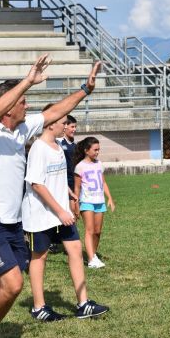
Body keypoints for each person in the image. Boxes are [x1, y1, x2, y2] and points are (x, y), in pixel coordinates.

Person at [0, 54, 102, 338]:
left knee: (13, 287)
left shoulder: (22, 131)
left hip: (14, 223)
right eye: (23, 101)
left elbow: (55, 111)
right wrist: (27, 80)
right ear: (8, 107)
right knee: (12, 284)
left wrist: (85, 89)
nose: (27, 106)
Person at [22, 106, 109, 322]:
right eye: (62, 122)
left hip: (62, 213)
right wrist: (60, 211)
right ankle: (39, 307)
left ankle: (83, 304)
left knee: (75, 250)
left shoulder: (58, 148)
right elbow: (37, 184)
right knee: (39, 257)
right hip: (41, 214)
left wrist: (69, 194)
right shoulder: (38, 149)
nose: (66, 125)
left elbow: (57, 179)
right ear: (51, 123)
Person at [73, 136, 115, 268]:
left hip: (99, 202)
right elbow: (77, 188)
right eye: (95, 149)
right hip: (87, 202)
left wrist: (110, 198)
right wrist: (76, 205)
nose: (97, 152)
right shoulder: (80, 167)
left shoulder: (99, 164)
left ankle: (93, 254)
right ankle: (91, 260)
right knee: (89, 230)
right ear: (86, 150)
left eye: (99, 150)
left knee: (97, 231)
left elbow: (103, 182)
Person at [49, 114, 79, 254]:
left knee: (74, 213)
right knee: (65, 212)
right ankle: (54, 241)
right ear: (65, 126)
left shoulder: (76, 146)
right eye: (72, 126)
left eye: (75, 127)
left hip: (74, 184)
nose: (74, 129)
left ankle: (70, 240)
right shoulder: (59, 144)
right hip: (62, 184)